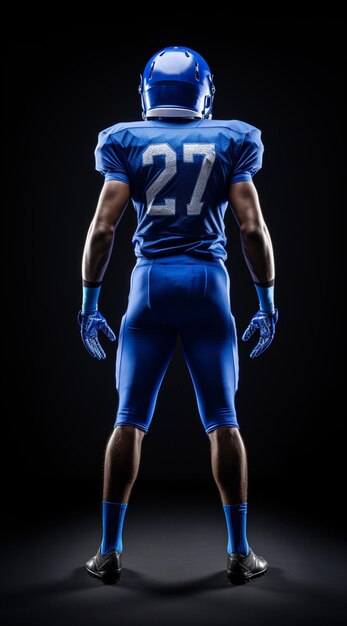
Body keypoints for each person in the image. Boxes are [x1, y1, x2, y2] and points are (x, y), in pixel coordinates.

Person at [78, 46, 278, 584]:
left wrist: (90, 305)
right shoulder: (231, 138)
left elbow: (103, 228)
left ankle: (108, 553)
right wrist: (267, 302)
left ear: (147, 92)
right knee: (224, 423)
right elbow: (252, 228)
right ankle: (239, 554)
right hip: (209, 286)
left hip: (149, 288)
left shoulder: (126, 141)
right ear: (203, 91)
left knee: (128, 421)